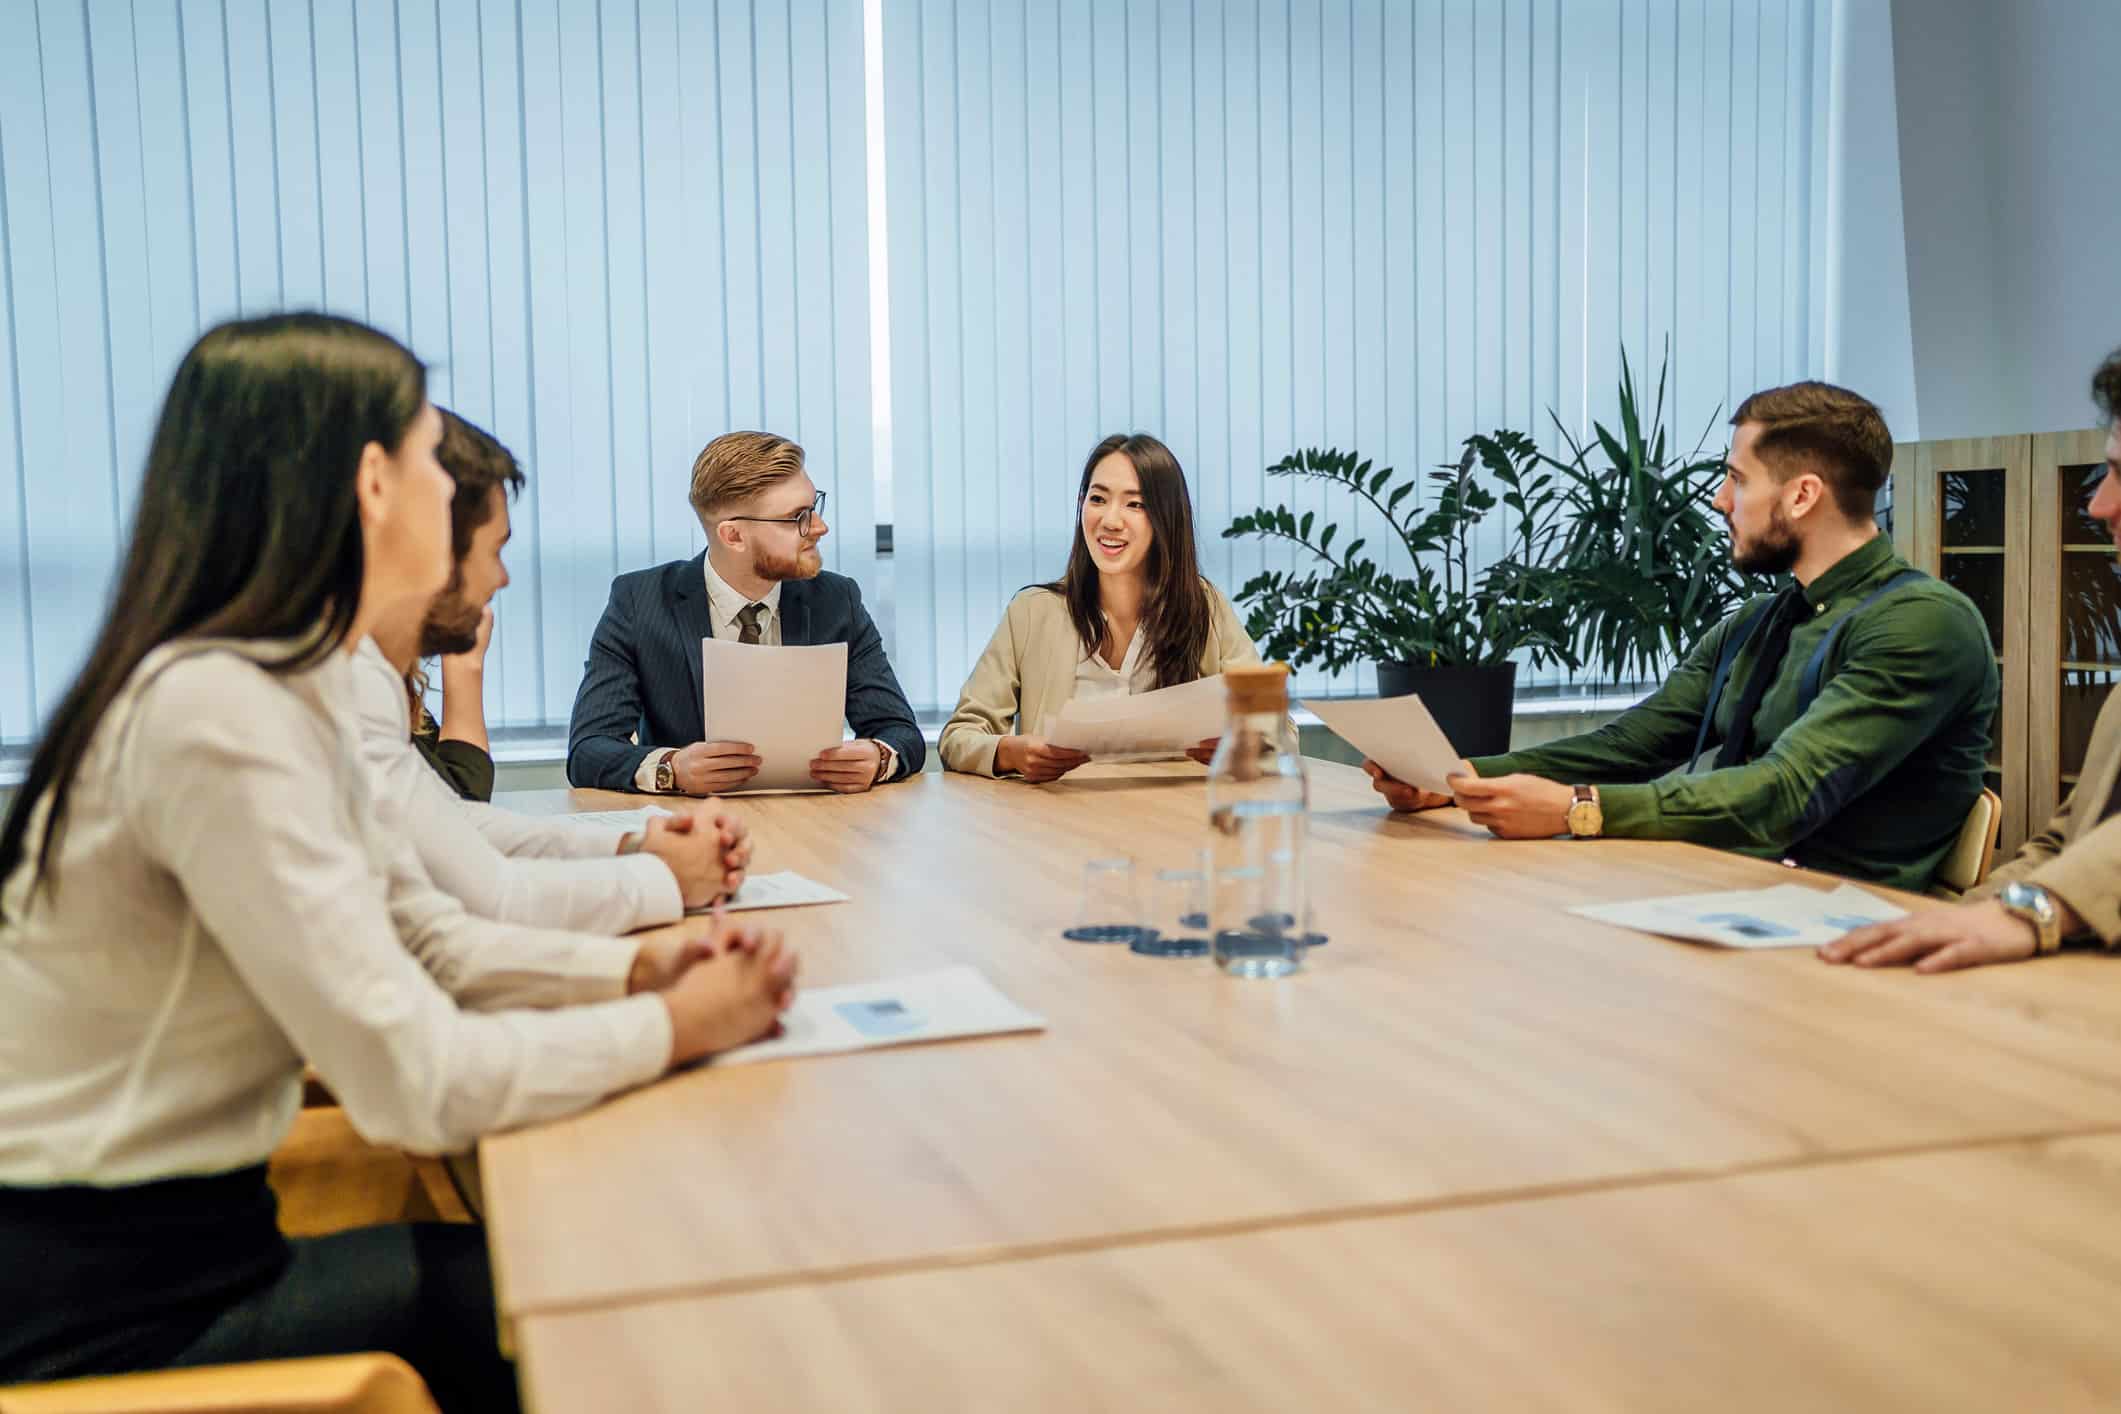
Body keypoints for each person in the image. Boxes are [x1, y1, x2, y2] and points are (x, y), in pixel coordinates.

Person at [0, 314, 798, 1410]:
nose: (454, 492)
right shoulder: (215, 710)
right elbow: (416, 1081)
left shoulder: (269, 682)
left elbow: (421, 929)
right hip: (117, 1307)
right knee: (620, 1299)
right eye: (432, 457)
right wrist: (672, 1026)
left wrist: (633, 975)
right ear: (373, 482)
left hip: (180, 1244)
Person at [1366, 380, 1999, 892]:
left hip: (1851, 932)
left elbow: (1786, 791)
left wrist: (1575, 809)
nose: (1722, 502)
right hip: (1736, 896)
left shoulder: (1921, 625)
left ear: (1803, 494)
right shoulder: (1759, 623)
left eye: (1739, 479)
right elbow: (1632, 744)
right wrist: (1458, 778)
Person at [357, 409, 750, 935]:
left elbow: (449, 820)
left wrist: (642, 840)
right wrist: (665, 879)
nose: (502, 578)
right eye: (493, 550)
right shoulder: (339, 682)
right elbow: (484, 893)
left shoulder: (360, 668)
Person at [1822, 350, 2121, 971]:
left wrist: (2032, 912)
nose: (2099, 506)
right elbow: (2068, 840)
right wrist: (1962, 916)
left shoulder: (1925, 620)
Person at [567, 431, 924, 795]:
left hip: (815, 825)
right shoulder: (640, 603)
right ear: (733, 536)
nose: (819, 527)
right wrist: (672, 768)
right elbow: (588, 750)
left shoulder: (836, 600)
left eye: (814, 507)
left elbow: (901, 732)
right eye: (797, 517)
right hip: (696, 828)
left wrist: (879, 757)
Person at [940, 434, 1259, 781]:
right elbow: (959, 735)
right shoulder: (1033, 611)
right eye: (1097, 499)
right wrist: (1009, 753)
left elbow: (1276, 726)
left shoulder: (1203, 607)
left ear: (1166, 517)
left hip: (1177, 824)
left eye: (1134, 504)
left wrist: (1240, 744)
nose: (1110, 520)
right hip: (1060, 823)